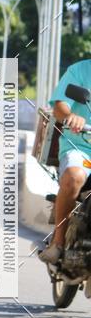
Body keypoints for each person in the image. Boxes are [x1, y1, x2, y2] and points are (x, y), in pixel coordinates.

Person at [39, 60, 91, 264]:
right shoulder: (79, 70)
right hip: (81, 148)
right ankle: (58, 242)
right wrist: (71, 116)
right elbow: (60, 106)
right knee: (73, 177)